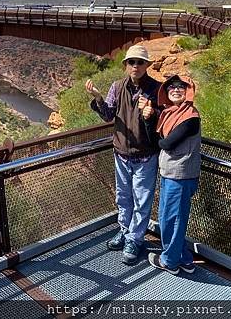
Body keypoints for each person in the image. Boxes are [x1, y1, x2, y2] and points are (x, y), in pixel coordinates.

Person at [85, 44, 161, 265]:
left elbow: (164, 119)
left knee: (141, 199)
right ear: (126, 65)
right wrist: (98, 98)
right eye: (131, 62)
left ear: (147, 65)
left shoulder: (156, 89)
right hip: (121, 154)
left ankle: (135, 239)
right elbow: (108, 115)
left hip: (146, 155)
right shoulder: (117, 87)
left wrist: (153, 112)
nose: (135, 66)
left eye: (139, 62)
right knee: (124, 197)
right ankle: (125, 230)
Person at [146, 75, 201, 275]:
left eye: (180, 87)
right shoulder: (171, 113)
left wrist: (154, 137)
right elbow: (160, 137)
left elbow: (166, 143)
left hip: (180, 175)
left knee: (171, 219)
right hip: (173, 173)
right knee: (173, 217)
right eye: (171, 87)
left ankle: (169, 262)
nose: (175, 90)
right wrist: (149, 117)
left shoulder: (190, 118)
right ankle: (185, 259)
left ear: (188, 91)